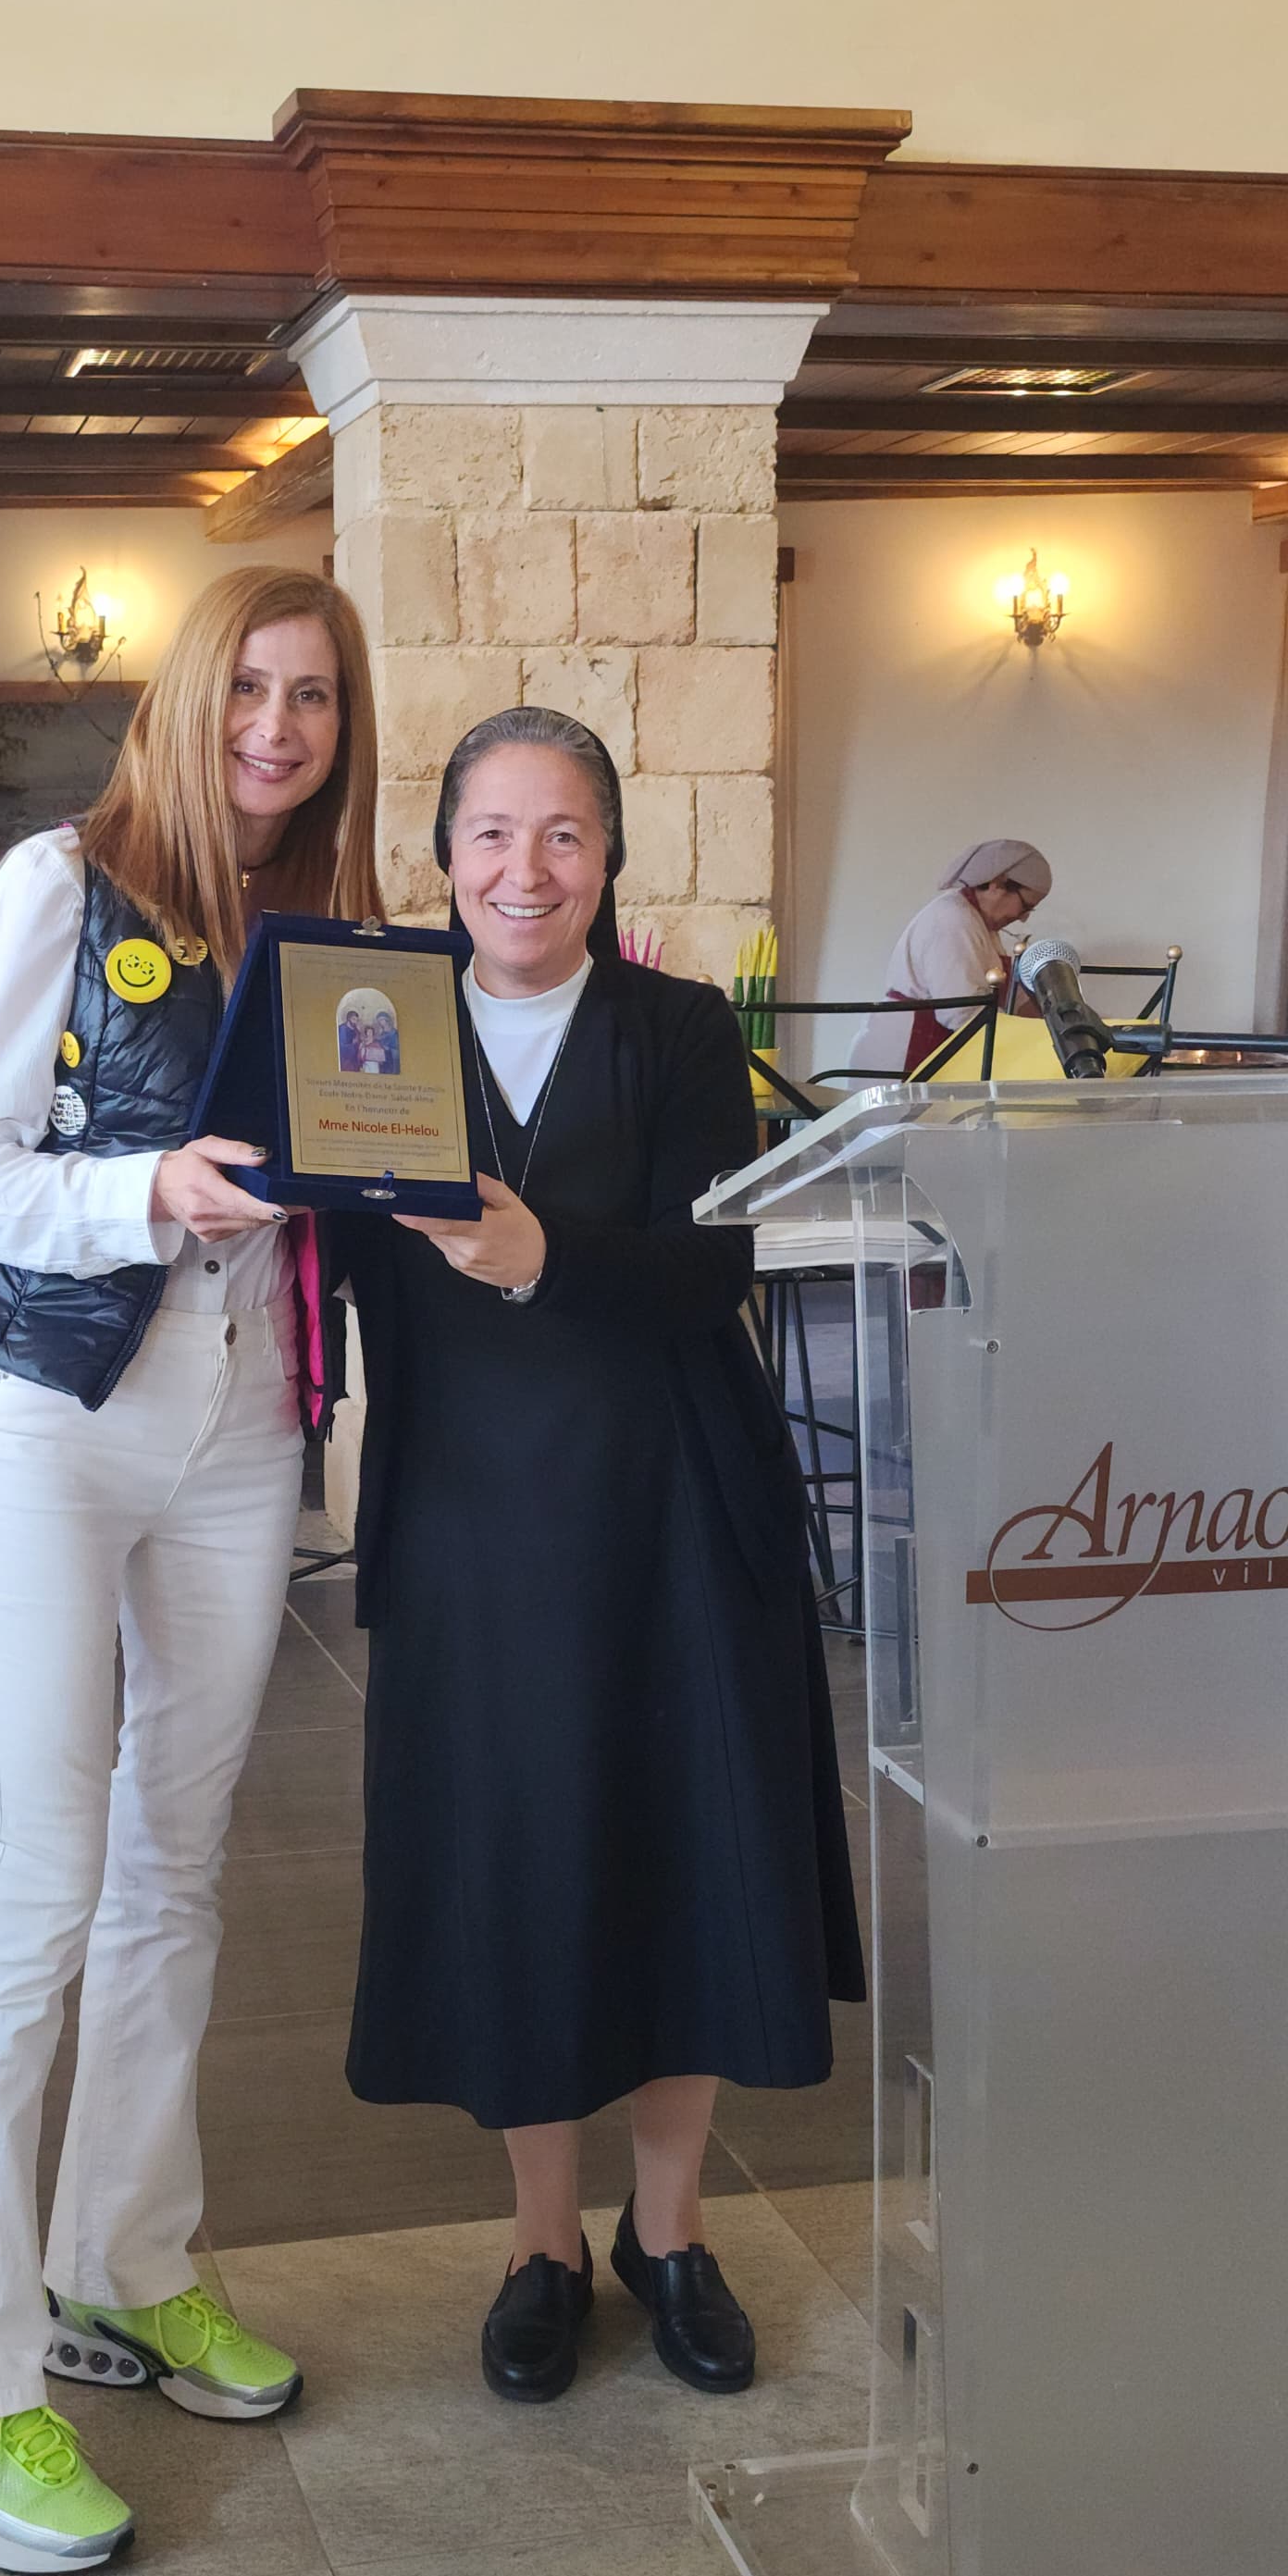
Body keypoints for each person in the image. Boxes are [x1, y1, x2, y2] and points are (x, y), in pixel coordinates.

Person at [0, 567, 382, 2572]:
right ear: (185, 694)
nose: (276, 727)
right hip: (60, 1427)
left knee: (177, 1868)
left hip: (246, 1438)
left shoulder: (328, 924)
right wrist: (143, 1189)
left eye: (312, 697)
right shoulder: (62, 884)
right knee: (34, 1889)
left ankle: (124, 2260)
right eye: (249, 686)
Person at [339, 707, 866, 2406]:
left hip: (672, 1506)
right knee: (520, 1864)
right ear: (442, 856)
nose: (527, 868)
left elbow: (713, 1269)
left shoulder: (680, 1026)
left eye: (564, 833)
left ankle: (672, 2231)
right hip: (474, 1518)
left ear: (610, 857)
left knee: (678, 1854)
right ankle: (541, 2243)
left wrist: (539, 1252)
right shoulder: (368, 1026)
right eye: (492, 832)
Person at [848, 837, 1053, 1073]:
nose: (1023, 917)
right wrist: (1031, 1041)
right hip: (904, 1053)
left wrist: (1056, 1027)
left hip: (930, 1046)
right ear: (997, 884)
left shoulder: (981, 926)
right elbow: (963, 1013)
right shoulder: (954, 920)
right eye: (1025, 906)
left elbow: (1017, 1003)